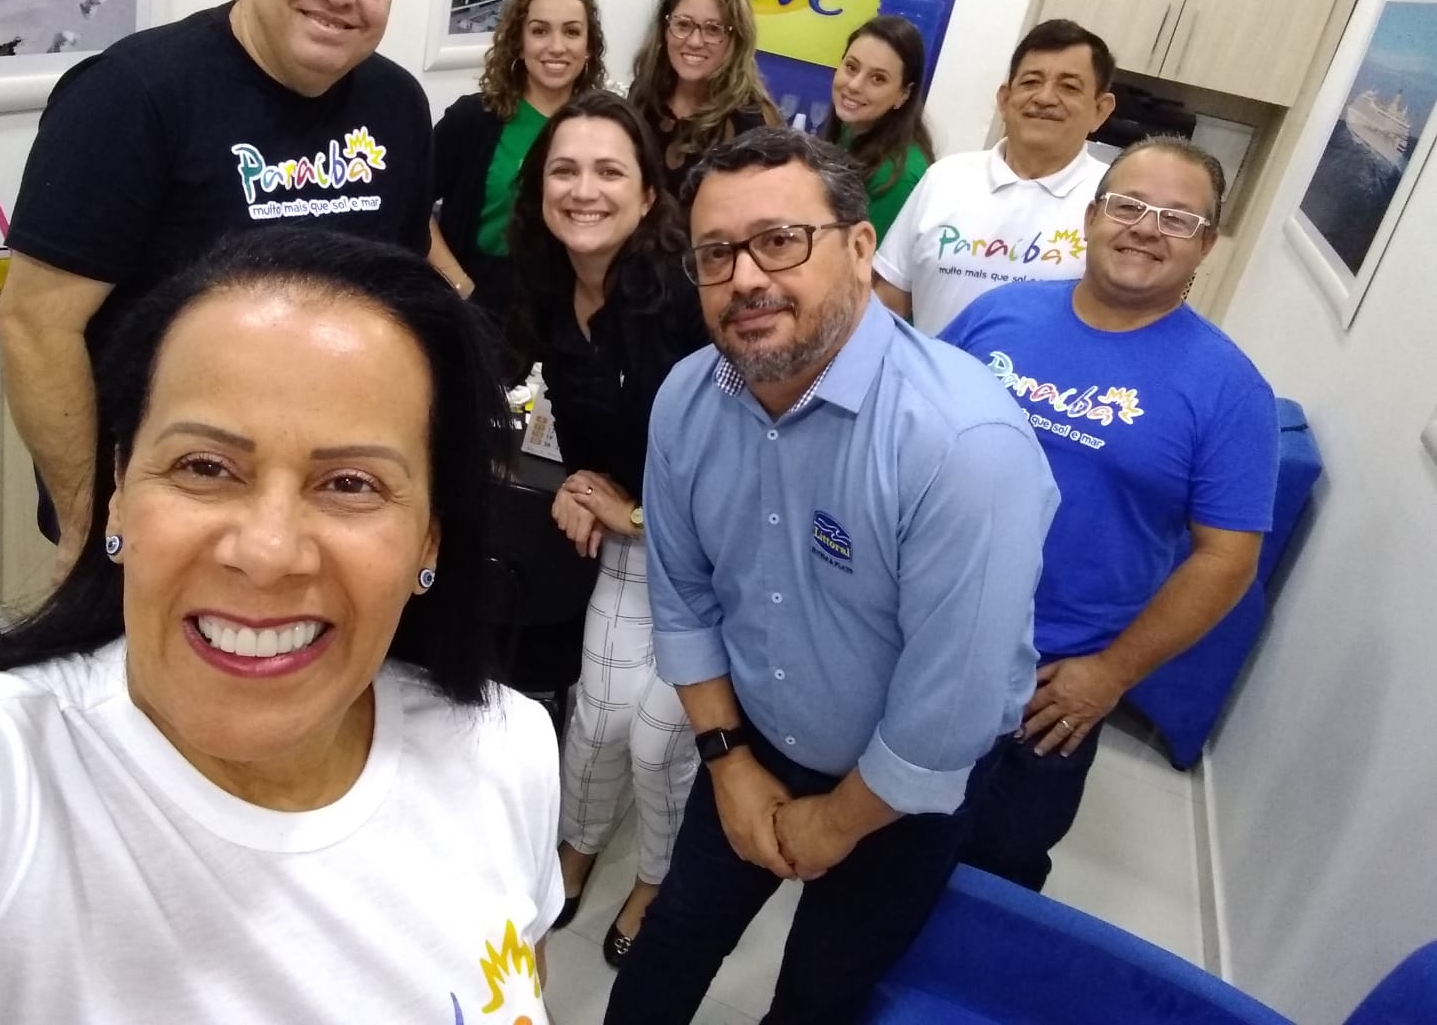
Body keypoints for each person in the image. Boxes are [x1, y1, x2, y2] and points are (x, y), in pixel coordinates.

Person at [0, 227, 561, 1024]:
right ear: (118, 494)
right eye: (205, 467)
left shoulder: (505, 748)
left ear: (430, 539)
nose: (266, 553)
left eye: (350, 483)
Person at [604, 128, 1059, 1025]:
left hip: (904, 795)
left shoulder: (963, 444)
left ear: (859, 248)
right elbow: (684, 598)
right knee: (671, 942)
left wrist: (837, 822)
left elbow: (951, 705)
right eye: (715, 254)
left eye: (780, 241)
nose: (745, 277)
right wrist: (728, 762)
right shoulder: (688, 398)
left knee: (819, 996)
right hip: (750, 737)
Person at [0, 0, 435, 575]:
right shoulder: (130, 96)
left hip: (327, 504)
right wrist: (88, 525)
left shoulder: (399, 105)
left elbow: (399, 301)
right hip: (162, 512)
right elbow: (35, 324)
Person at [941, 136, 1278, 891]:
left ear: (1206, 246)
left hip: (1050, 687)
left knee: (989, 879)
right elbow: (909, 437)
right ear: (1092, 216)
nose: (1146, 229)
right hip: (926, 633)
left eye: (1178, 218)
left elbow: (1228, 560)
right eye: (1128, 206)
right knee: (873, 843)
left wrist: (1111, 674)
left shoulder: (1230, 390)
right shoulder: (999, 315)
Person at [503, 91, 706, 969]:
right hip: (631, 544)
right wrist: (571, 485)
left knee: (658, 739)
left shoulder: (690, 303)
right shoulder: (546, 286)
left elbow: (743, 464)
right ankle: (578, 846)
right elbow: (547, 414)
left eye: (609, 171)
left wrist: (627, 511)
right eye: (565, 170)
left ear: (649, 194)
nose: (584, 190)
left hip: (716, 557)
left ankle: (657, 877)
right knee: (595, 723)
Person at [873, 18, 1117, 335]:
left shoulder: (1116, 203)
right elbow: (887, 303)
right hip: (926, 367)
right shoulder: (945, 179)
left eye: (1069, 87)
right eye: (1031, 82)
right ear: (1004, 99)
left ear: (1100, 110)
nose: (1044, 98)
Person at [430, 0, 607, 318]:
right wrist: (460, 287)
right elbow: (413, 203)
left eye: (571, 32)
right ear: (519, 42)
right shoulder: (473, 119)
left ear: (588, 48)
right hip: (481, 298)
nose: (557, 46)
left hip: (569, 305)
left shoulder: (605, 129)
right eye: (540, 31)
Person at [628, 0, 778, 201]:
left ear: (736, 39)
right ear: (665, 29)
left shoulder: (752, 124)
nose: (695, 41)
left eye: (713, 29)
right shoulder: (644, 94)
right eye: (683, 25)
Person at [820, 14, 936, 242]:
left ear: (904, 94)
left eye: (878, 79)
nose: (854, 85)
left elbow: (860, 260)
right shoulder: (851, 132)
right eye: (851, 67)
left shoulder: (898, 175)